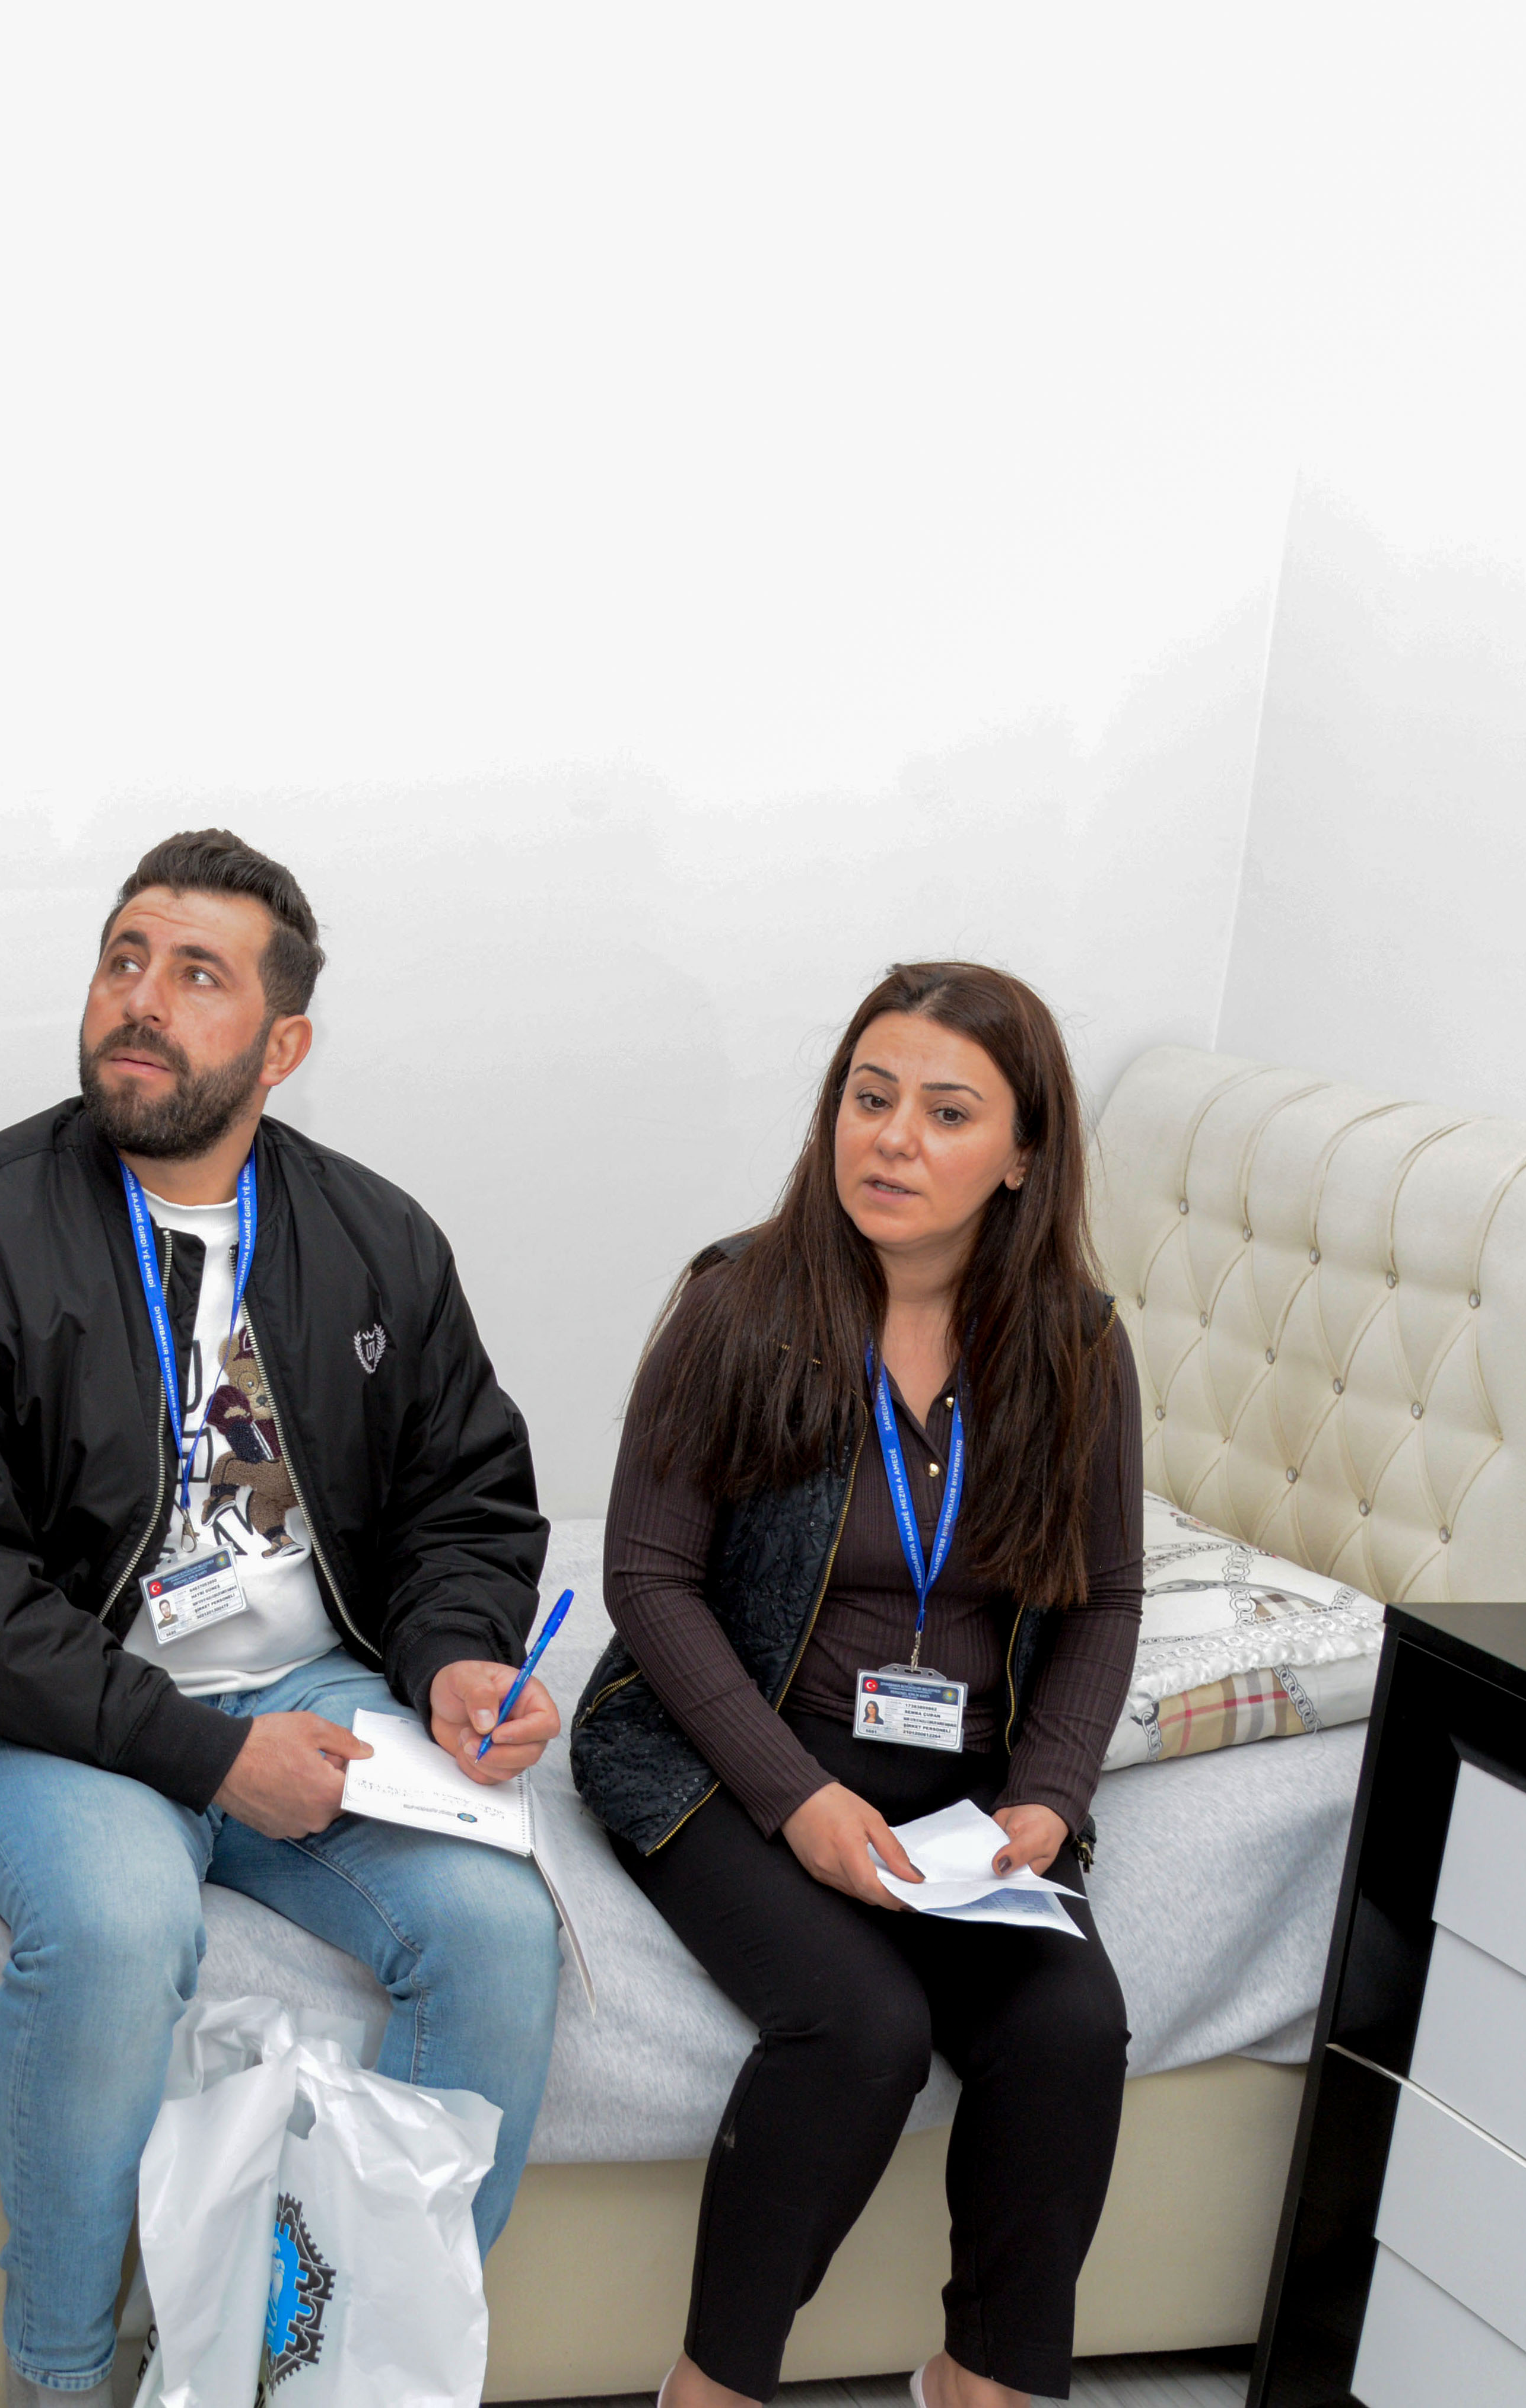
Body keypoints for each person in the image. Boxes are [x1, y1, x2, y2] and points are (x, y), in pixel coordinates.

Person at [0, 829, 564, 2406]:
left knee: (499, 1934)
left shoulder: (376, 1241)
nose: (140, 999)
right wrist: (210, 1758)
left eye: (197, 973)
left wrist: (454, 1652)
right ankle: (62, 2378)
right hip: (59, 1707)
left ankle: (333, 2375)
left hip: (311, 1683)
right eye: (125, 957)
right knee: (114, 1928)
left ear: (282, 1046)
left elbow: (465, 1498)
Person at [571, 962, 1143, 2408]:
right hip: (728, 1752)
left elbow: (1103, 1597)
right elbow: (646, 1580)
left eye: (945, 1112)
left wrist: (1048, 1793)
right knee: (860, 2025)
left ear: (1020, 1155)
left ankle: (980, 2378)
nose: (890, 1138)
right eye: (868, 1097)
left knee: (1069, 2026)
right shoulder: (736, 1302)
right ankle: (711, 2386)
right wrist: (797, 1798)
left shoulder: (1075, 1345)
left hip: (961, 1790)